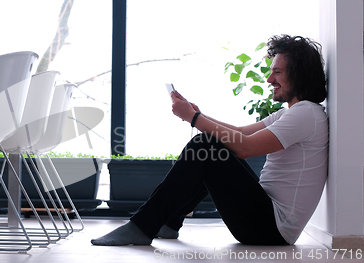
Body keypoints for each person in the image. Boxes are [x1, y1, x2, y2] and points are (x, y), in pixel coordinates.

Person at [91, 34, 328, 246]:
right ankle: (168, 224)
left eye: (277, 72)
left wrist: (194, 118)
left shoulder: (306, 113)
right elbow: (240, 132)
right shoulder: (292, 112)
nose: (269, 79)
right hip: (266, 220)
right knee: (211, 147)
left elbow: (244, 148)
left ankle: (143, 226)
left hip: (271, 229)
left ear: (298, 75)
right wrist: (198, 115)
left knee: (205, 145)